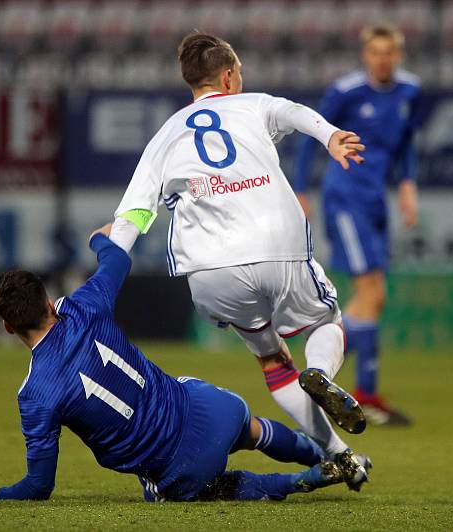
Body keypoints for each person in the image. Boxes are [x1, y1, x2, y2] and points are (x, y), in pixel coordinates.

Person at [110, 32, 372, 489]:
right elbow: (295, 113)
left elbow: (134, 212)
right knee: (327, 323)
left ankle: (341, 454)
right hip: (277, 246)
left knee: (272, 361)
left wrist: (106, 272)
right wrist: (331, 137)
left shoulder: (165, 135)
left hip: (211, 272)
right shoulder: (252, 104)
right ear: (229, 76)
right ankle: (322, 372)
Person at [0, 224, 352, 503]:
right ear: (51, 302)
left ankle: (303, 480)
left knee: (186, 488)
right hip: (214, 409)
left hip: (182, 468)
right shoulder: (84, 307)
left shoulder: (35, 394)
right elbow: (119, 261)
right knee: (252, 429)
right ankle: (327, 455)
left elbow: (39, 485)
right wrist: (98, 240)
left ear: (6, 327)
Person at [292, 25, 421, 426]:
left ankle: (324, 368)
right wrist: (300, 189)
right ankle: (360, 391)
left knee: (373, 298)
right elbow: (308, 134)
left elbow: (406, 144)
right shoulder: (346, 91)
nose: (382, 59)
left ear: (398, 55)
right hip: (345, 197)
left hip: (376, 200)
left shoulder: (409, 92)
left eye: (389, 52)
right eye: (375, 52)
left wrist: (407, 184)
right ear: (365, 55)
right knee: (371, 290)